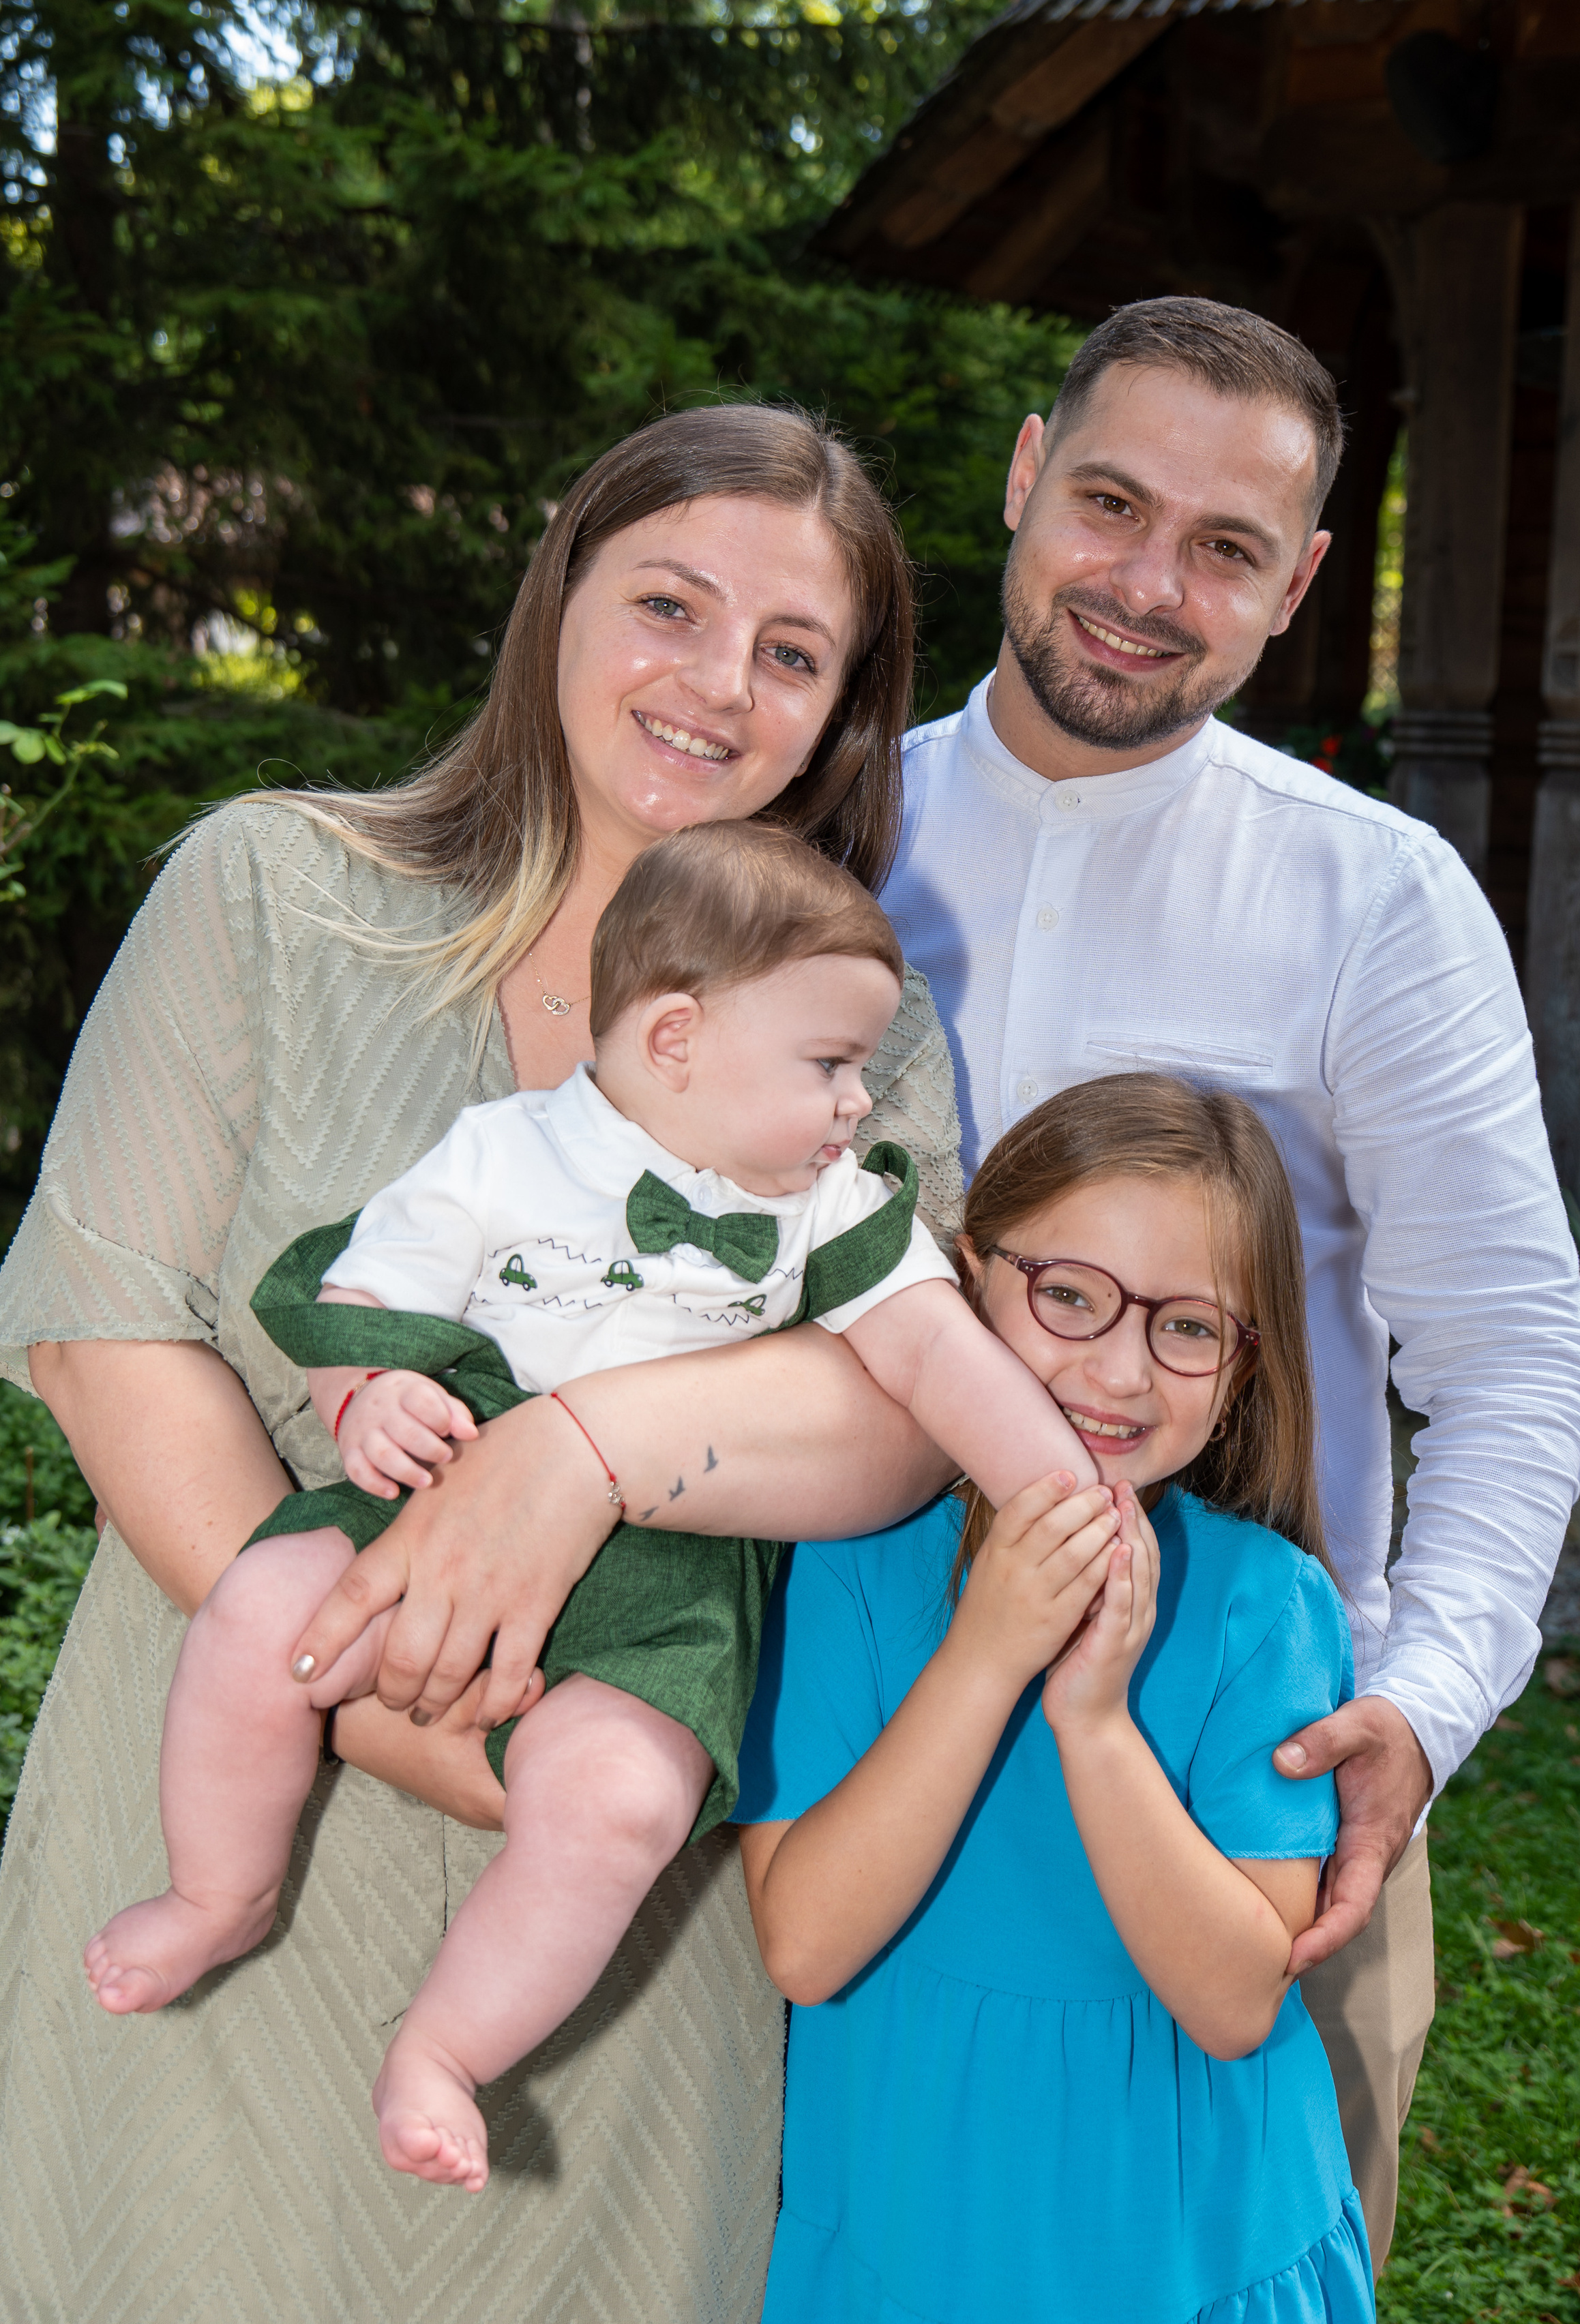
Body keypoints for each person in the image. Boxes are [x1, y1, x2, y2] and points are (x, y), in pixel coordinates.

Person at [1, 405, 967, 2319]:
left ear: (846, 708)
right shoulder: (266, 895)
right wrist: (376, 1705)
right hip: (220, 1807)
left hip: (601, 1929)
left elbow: (889, 1418)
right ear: (557, 593)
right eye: (669, 604)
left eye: (792, 653)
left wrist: (587, 1452)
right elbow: (108, 1345)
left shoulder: (872, 1031)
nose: (716, 683)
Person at [876, 296, 1580, 2267]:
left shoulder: (1375, 898)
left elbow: (1515, 1353)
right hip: (848, 1734)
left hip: (1246, 1767)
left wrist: (1422, 1702)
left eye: (1222, 546)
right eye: (1110, 502)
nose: (1144, 583)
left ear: (1297, 587)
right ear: (1026, 478)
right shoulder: (814, 833)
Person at [83, 822, 1096, 2200]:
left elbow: (934, 1357)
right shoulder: (501, 1151)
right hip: (449, 1490)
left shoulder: (828, 1209)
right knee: (261, 1613)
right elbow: (365, 1292)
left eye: (858, 1070)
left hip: (669, 1580)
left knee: (618, 1804)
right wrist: (369, 1385)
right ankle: (219, 1887)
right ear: (675, 1039)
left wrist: (1061, 1493)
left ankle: (445, 2048)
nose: (859, 1103)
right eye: (829, 1064)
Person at [736, 1073, 1375, 2323]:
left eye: (1188, 1326)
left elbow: (1238, 1996)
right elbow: (805, 1946)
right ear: (969, 1282)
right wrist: (986, 1657)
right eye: (1068, 1296)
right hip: (914, 2240)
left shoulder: (1266, 1606)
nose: (1120, 1370)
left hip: (1185, 2252)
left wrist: (1092, 1720)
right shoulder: (853, 1558)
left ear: (1245, 1369)